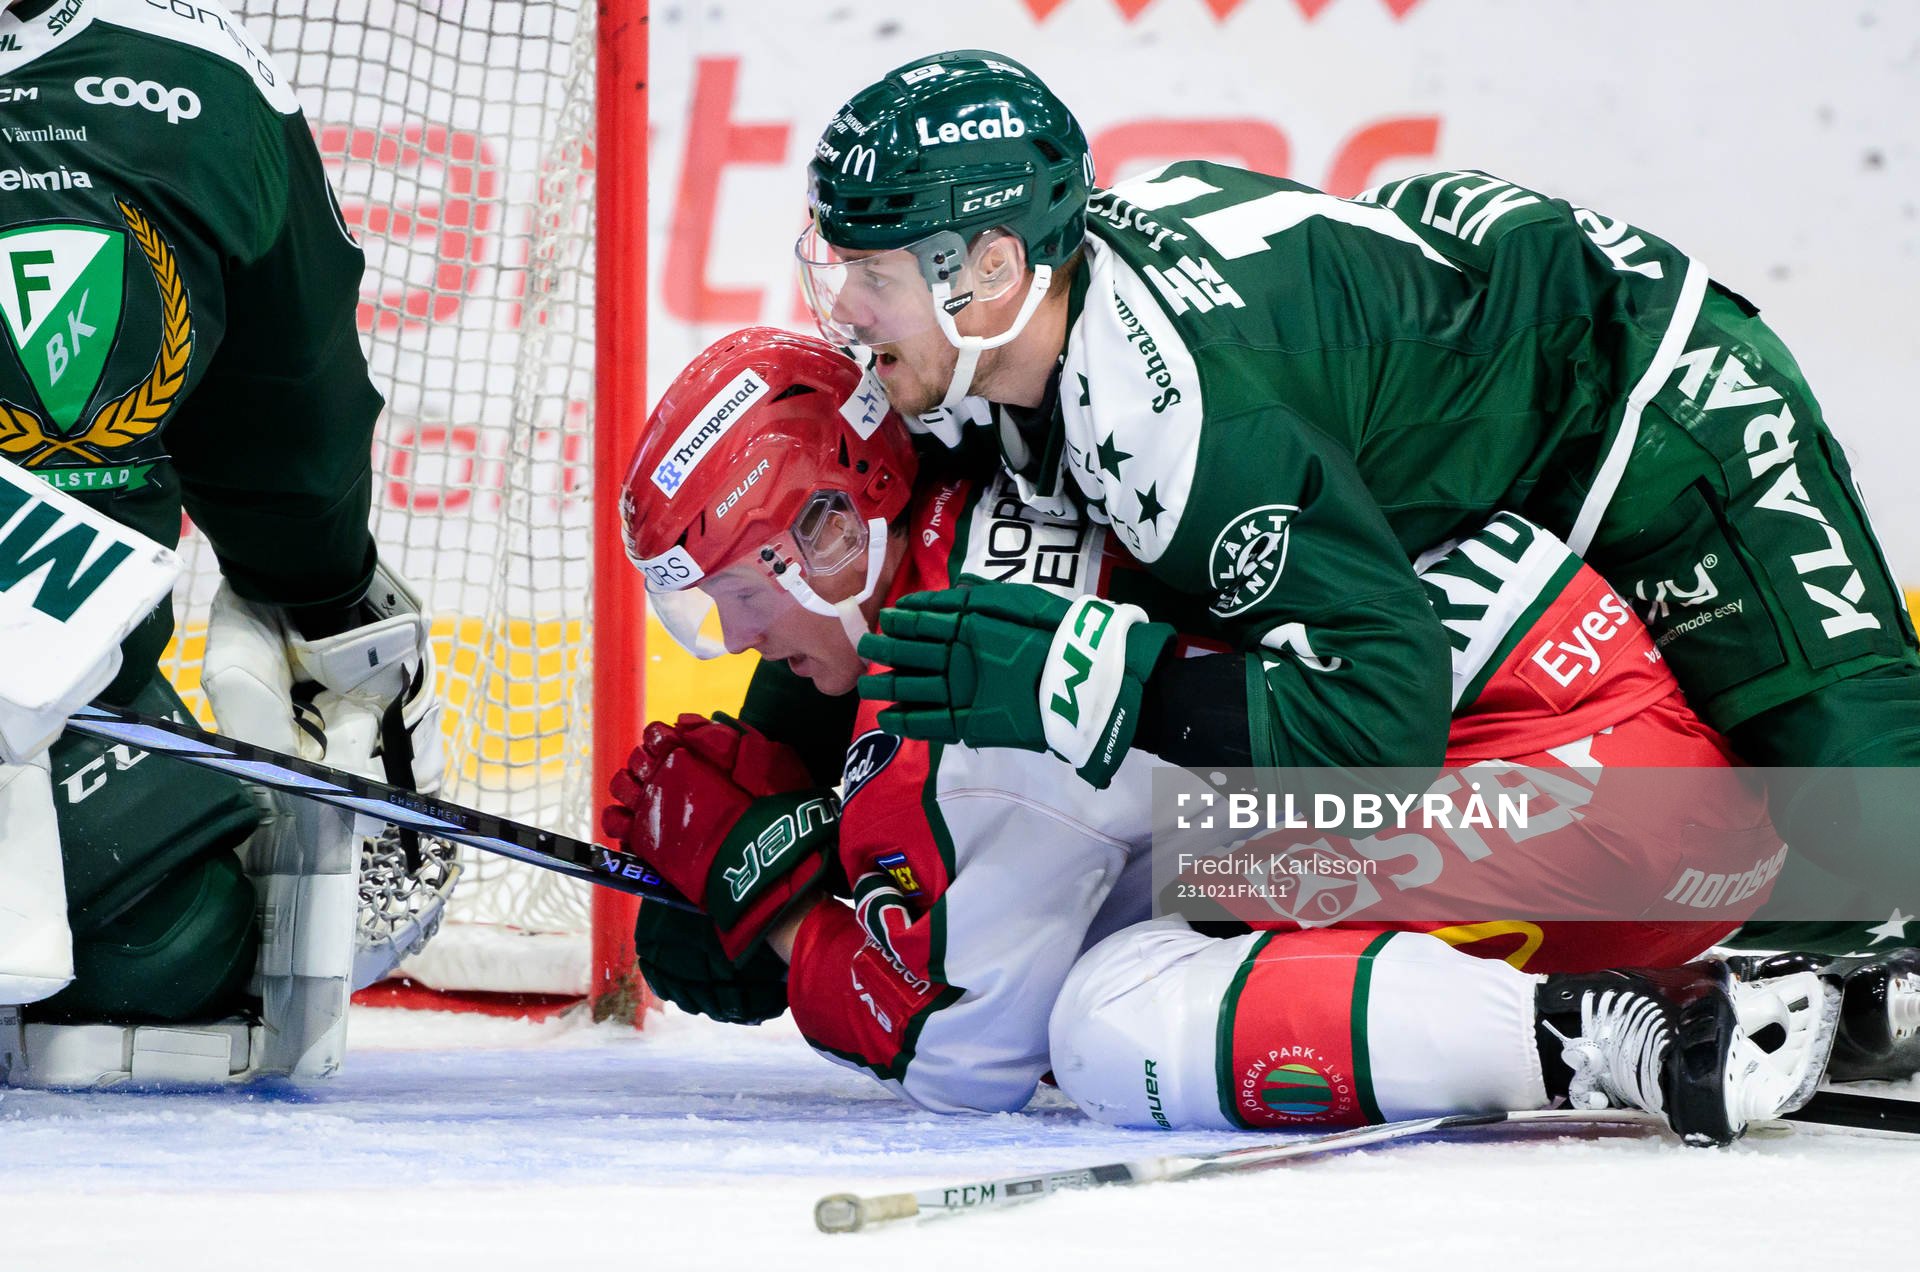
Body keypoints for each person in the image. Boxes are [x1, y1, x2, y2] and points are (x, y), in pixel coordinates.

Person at [604, 328, 1900, 1145]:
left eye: (741, 585)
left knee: (1104, 1025)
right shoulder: (1025, 439)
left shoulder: (957, 686)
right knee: (1166, 870)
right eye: (700, 602)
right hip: (1631, 752)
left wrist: (771, 903)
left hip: (1582, 799)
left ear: (842, 521)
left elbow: (960, 1051)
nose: (733, 631)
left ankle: (1613, 1032)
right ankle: (1830, 980)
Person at [792, 50, 1920, 951]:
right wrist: (780, 777)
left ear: (989, 268)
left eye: (872, 274)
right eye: (835, 263)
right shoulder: (1008, 343)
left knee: (1883, 839)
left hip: (1646, 400)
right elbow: (866, 516)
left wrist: (1101, 685)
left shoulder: (1179, 418)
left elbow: (1386, 724)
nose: (843, 304)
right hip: (1482, 398)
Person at [0, 0, 440, 1085]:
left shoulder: (190, 78)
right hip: (58, 706)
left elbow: (283, 425)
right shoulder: (190, 73)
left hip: (52, 704)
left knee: (163, 936)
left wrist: (325, 595)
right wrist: (327, 599)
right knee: (168, 942)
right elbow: (288, 431)